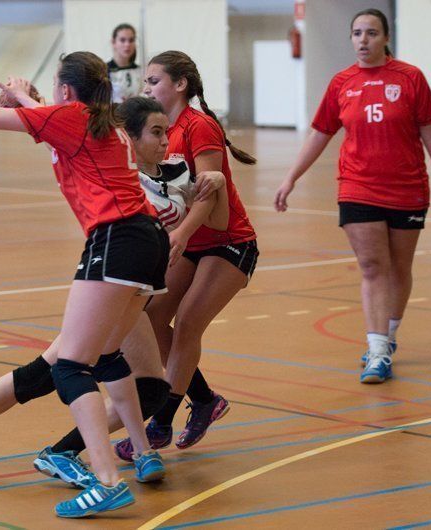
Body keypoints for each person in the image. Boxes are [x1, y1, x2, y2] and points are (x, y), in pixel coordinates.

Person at [0, 95, 229, 493]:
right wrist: (22, 98)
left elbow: (220, 218)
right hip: (112, 285)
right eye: (156, 133)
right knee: (68, 374)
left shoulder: (177, 171)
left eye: (166, 132)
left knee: (55, 376)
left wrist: (218, 183)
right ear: (127, 136)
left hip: (137, 294)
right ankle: (88, 454)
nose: (165, 141)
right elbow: (66, 124)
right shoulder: (114, 168)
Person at [274, 8, 431, 384]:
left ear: (385, 38)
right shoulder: (342, 82)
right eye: (357, 33)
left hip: (407, 188)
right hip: (358, 186)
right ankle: (377, 351)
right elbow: (320, 133)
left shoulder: (410, 78)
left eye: (371, 33)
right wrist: (291, 177)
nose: (363, 40)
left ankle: (387, 336)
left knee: (399, 268)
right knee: (373, 267)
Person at [114, 50, 259, 460]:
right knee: (152, 319)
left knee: (189, 322)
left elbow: (210, 197)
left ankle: (160, 422)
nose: (146, 88)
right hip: (189, 242)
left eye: (153, 81)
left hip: (227, 240)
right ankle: (205, 399)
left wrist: (179, 236)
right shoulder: (156, 129)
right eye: (144, 82)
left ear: (179, 85)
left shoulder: (200, 126)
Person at [108, 23, 140, 103]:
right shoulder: (104, 71)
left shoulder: (141, 70)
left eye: (131, 40)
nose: (127, 44)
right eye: (122, 40)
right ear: (113, 42)